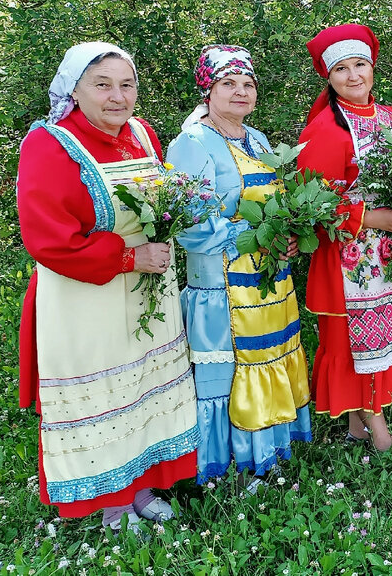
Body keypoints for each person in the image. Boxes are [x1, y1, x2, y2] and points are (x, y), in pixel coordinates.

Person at [17, 42, 197, 529]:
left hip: (147, 290)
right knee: (108, 394)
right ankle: (111, 503)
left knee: (142, 387)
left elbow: (163, 203)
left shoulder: (141, 133)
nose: (118, 97)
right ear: (74, 91)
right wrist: (128, 256)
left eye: (127, 84)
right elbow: (48, 239)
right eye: (102, 85)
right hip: (87, 295)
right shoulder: (50, 144)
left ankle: (140, 487)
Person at [168, 45, 311, 483]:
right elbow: (188, 225)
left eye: (248, 84)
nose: (241, 92)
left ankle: (270, 449)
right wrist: (251, 237)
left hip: (267, 278)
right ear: (208, 90)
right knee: (230, 371)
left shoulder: (258, 140)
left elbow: (276, 204)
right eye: (228, 83)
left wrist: (286, 237)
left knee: (269, 355)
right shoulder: (191, 144)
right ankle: (227, 467)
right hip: (223, 285)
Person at [299, 24, 392, 451]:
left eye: (360, 64)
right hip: (353, 254)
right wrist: (376, 218)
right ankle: (377, 429)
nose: (353, 75)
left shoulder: (390, 117)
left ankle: (359, 425)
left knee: (384, 336)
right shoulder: (326, 129)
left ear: (372, 67)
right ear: (329, 77)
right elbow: (315, 203)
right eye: (342, 69)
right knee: (355, 341)